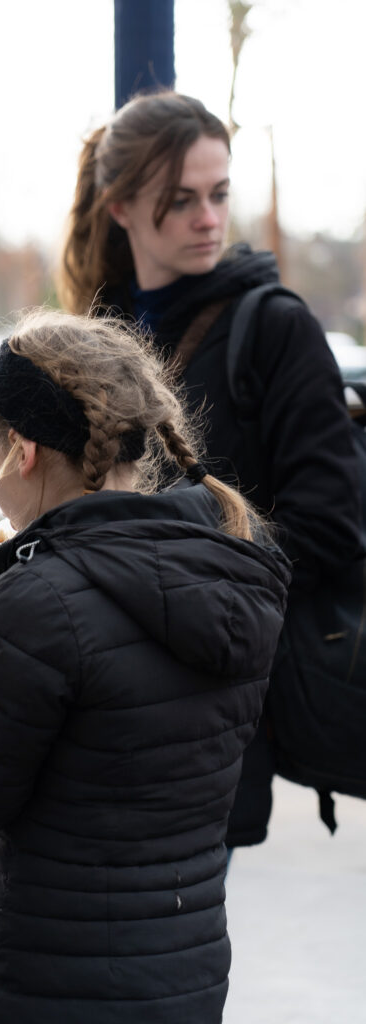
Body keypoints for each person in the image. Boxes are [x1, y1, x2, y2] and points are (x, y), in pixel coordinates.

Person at [0, 308, 290, 1023]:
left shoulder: (42, 599)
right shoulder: (229, 568)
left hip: (53, 983)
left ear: (23, 453)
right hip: (185, 971)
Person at [57, 90, 362, 848]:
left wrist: (173, 580)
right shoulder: (96, 334)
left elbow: (329, 528)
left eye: (219, 194)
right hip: (97, 689)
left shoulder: (274, 328)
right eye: (181, 199)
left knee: (171, 912)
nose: (208, 219)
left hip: (212, 701)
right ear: (121, 207)